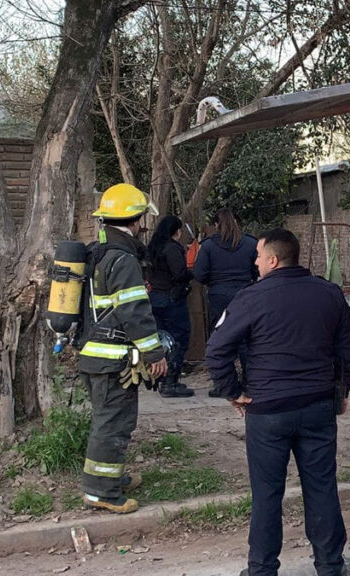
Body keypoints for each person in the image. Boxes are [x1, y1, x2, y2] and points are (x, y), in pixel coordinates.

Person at [205, 228, 350, 576]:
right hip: (318, 406)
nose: (255, 263)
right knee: (322, 488)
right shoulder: (329, 293)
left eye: (259, 257)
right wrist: (342, 390)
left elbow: (216, 349)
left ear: (273, 260)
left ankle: (262, 570)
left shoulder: (251, 297)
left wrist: (233, 391)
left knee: (267, 493)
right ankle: (330, 567)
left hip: (268, 411)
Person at [77, 183, 167, 514]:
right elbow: (134, 312)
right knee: (113, 423)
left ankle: (109, 478)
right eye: (141, 218)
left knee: (107, 420)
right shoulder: (123, 258)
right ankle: (100, 491)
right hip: (112, 360)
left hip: (94, 355)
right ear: (135, 219)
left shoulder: (97, 252)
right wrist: (155, 354)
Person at [192, 208, 257, 397]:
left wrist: (213, 283)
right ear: (237, 222)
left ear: (216, 224)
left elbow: (199, 273)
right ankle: (250, 382)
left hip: (218, 296)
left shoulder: (208, 246)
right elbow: (258, 270)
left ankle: (223, 384)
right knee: (246, 339)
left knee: (221, 340)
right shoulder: (250, 243)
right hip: (245, 294)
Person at [146, 215, 195, 398]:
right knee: (178, 338)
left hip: (154, 298)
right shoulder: (172, 248)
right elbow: (179, 274)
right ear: (176, 231)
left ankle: (160, 377)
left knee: (161, 339)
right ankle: (170, 381)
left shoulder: (153, 248)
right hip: (171, 298)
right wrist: (192, 272)